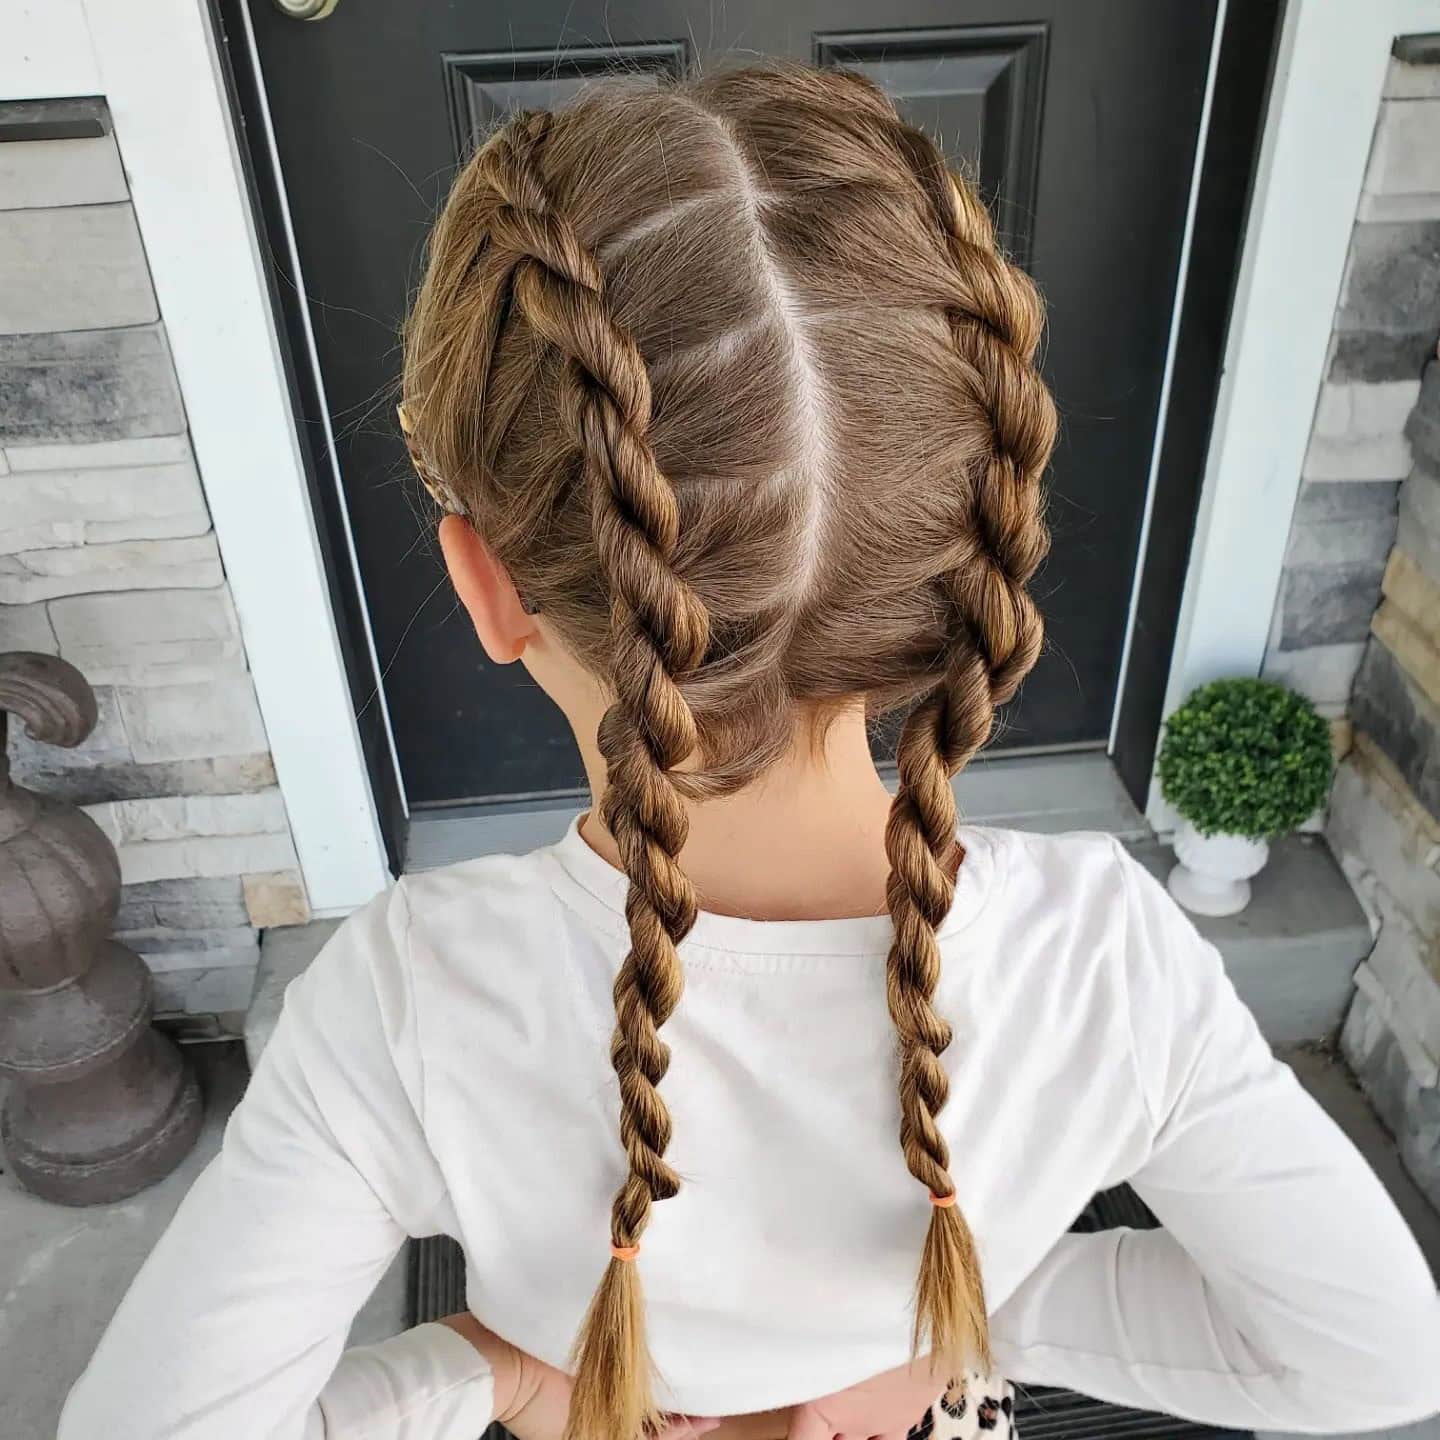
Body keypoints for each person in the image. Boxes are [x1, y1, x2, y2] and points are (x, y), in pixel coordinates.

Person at [59, 64, 1440, 1440]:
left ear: (485, 586)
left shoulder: (404, 1006)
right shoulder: (1108, 960)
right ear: (954, 559)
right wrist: (971, 1311)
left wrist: (485, 1371)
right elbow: (1374, 1358)